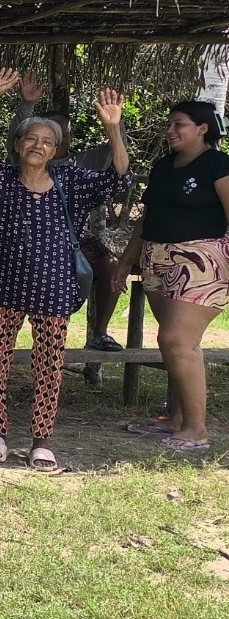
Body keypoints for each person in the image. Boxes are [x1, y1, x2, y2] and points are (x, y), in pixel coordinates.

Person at [0, 69, 130, 472]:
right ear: (18, 145)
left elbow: (119, 176)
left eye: (47, 142)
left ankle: (41, 441)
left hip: (53, 289)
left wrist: (113, 128)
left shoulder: (70, 180)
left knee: (50, 366)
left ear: (55, 151)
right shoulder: (0, 178)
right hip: (4, 286)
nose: (39, 145)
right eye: (31, 139)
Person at [119, 100, 229, 453]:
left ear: (202, 128)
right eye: (170, 124)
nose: (170, 130)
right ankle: (177, 420)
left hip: (200, 260)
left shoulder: (218, 164)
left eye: (178, 124)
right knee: (171, 342)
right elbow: (146, 218)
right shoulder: (163, 166)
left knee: (178, 340)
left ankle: (197, 431)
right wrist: (125, 262)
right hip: (156, 258)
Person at [14, 73, 132, 353]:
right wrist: (27, 105)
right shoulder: (24, 160)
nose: (60, 137)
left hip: (75, 238)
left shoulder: (82, 163)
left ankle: (99, 333)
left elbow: (119, 164)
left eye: (64, 133)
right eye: (50, 133)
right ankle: (5, 338)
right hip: (28, 239)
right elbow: (17, 135)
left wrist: (114, 124)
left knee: (110, 264)